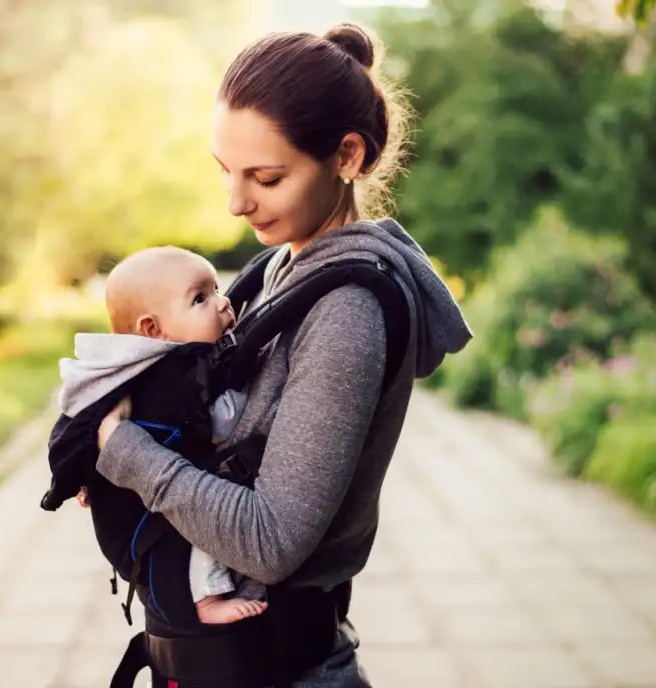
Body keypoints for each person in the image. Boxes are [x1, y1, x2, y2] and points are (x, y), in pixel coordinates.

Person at [93, 22, 473, 686]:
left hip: (279, 664)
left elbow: (270, 542)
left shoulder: (347, 310)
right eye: (226, 172)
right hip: (227, 660)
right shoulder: (273, 272)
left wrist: (128, 455)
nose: (236, 203)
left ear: (347, 156)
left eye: (266, 177)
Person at [57, 245, 269, 625]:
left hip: (143, 493)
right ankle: (207, 599)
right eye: (201, 298)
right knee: (204, 526)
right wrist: (256, 394)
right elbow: (219, 422)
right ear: (153, 330)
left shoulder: (154, 366)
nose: (223, 303)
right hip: (144, 522)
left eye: (217, 289)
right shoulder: (169, 378)